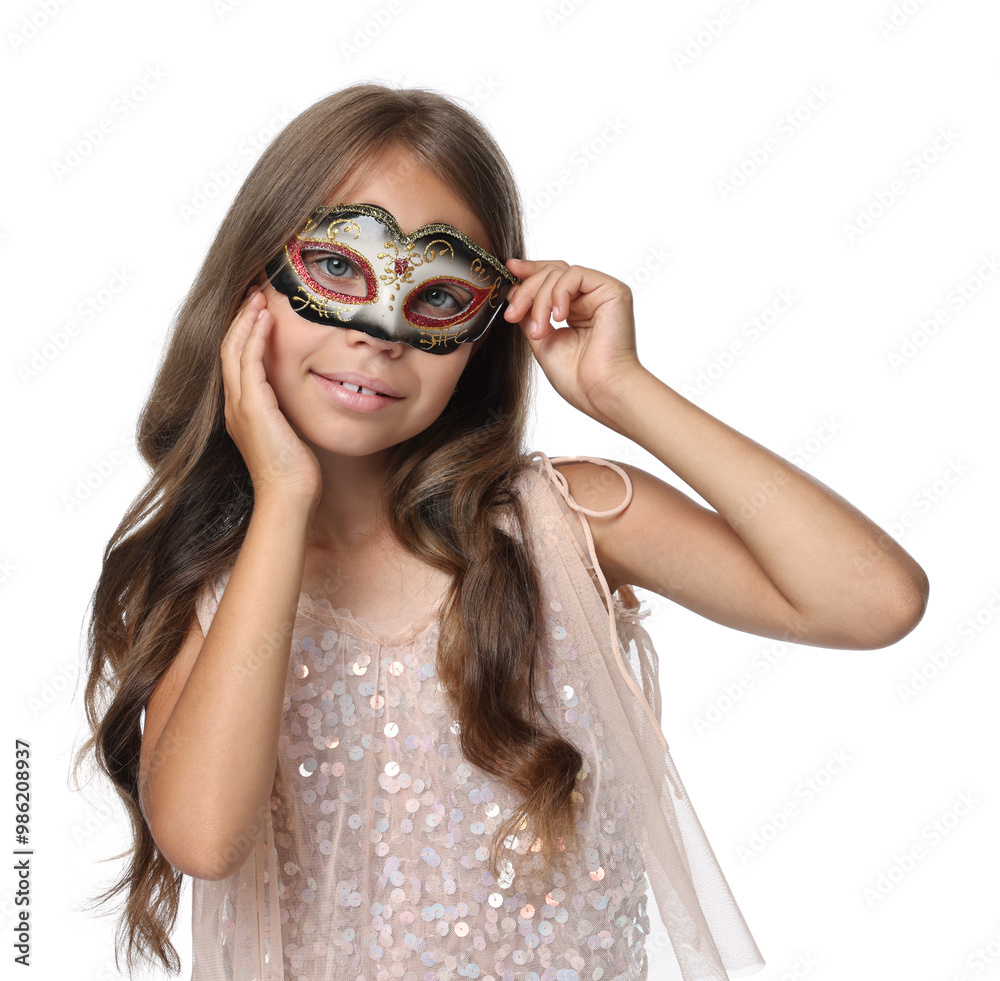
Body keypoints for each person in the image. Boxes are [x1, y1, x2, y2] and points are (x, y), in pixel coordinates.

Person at [75, 83, 928, 981]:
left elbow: (874, 600)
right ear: (253, 286)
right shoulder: (208, 584)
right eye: (337, 269)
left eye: (438, 295)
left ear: (485, 330)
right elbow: (206, 837)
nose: (381, 329)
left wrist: (622, 390)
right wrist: (283, 497)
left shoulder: (559, 527)